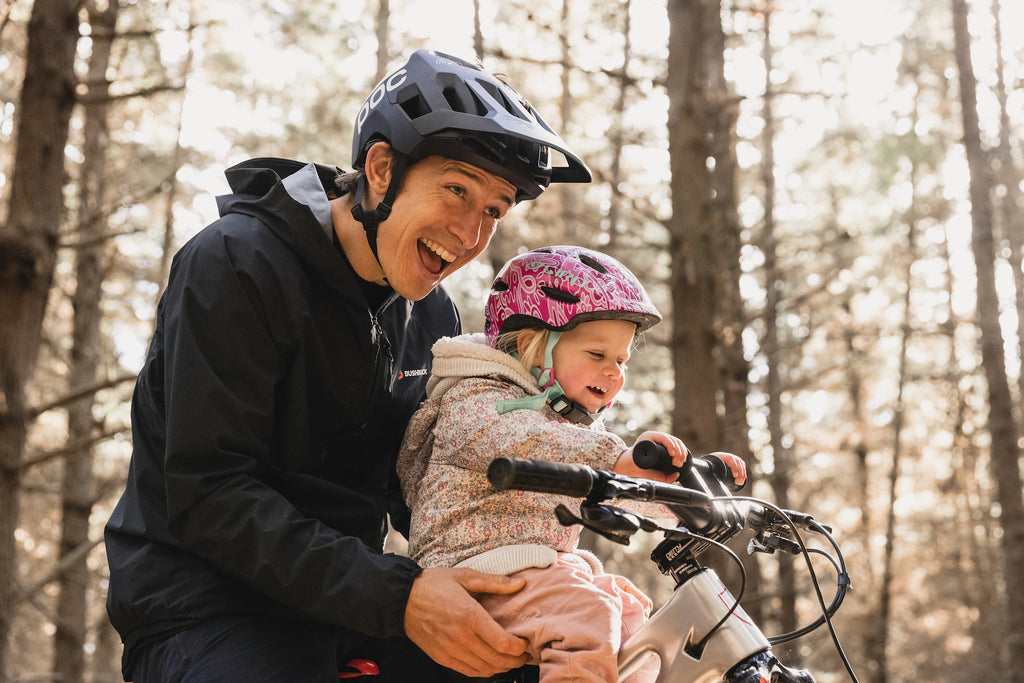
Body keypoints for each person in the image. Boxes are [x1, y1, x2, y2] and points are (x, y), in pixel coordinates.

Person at [103, 49, 591, 682]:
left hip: (352, 605)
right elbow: (209, 494)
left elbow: (425, 483)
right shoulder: (236, 263)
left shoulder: (432, 315)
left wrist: (534, 549)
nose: (471, 232)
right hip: (206, 608)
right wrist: (399, 595)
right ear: (382, 169)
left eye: (493, 210)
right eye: (456, 189)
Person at [397, 246, 748, 682]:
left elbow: (623, 490)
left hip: (537, 574)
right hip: (478, 577)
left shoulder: (570, 429)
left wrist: (691, 490)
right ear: (533, 347)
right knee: (590, 612)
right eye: (597, 355)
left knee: (633, 621)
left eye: (621, 360)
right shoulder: (475, 401)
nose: (615, 372)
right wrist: (619, 460)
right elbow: (530, 443)